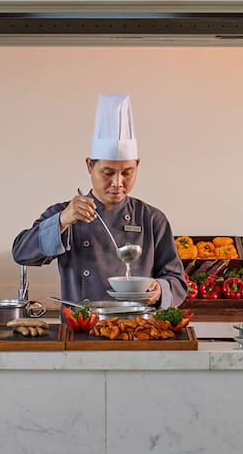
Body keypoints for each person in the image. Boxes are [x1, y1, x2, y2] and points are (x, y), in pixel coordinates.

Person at [12, 94, 187, 307]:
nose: (117, 183)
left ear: (137, 165)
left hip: (137, 330)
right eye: (108, 172)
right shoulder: (65, 213)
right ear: (89, 166)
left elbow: (176, 280)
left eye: (127, 173)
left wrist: (160, 289)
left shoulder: (151, 219)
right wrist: (63, 220)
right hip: (81, 330)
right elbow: (21, 253)